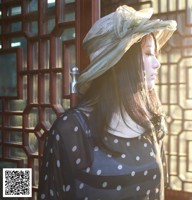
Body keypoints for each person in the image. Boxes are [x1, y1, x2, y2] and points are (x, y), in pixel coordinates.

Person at [38, 5, 177, 200]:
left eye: (155, 54)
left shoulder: (153, 123)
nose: (157, 63)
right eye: (147, 53)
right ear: (120, 62)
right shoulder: (70, 130)